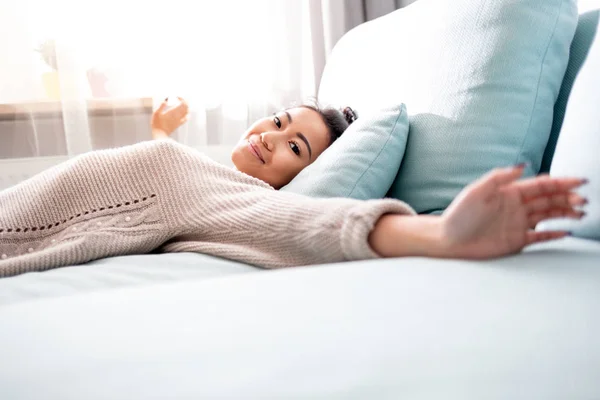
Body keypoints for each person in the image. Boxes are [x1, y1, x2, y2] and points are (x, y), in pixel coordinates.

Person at [0, 98, 587, 278]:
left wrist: (441, 232)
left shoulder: (239, 200)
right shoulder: (207, 171)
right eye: (280, 122)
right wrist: (159, 133)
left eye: (295, 149)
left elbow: (306, 226)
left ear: (299, 177)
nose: (270, 138)